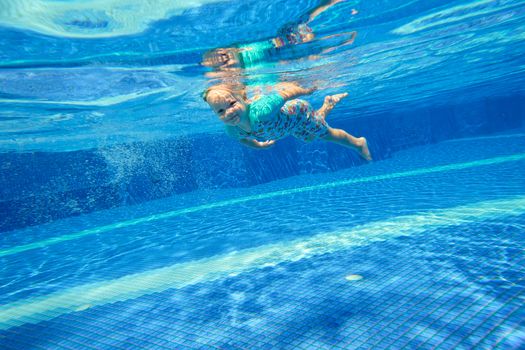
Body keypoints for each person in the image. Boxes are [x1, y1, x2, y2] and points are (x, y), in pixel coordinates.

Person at [202, 82, 372, 160]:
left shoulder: (262, 110)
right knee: (309, 137)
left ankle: (359, 143)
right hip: (287, 127)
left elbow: (287, 93)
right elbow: (244, 140)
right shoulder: (231, 129)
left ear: (243, 98)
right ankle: (327, 105)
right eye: (221, 111)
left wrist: (306, 90)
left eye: (232, 103)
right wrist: (258, 145)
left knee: (325, 134)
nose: (229, 112)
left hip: (298, 113)